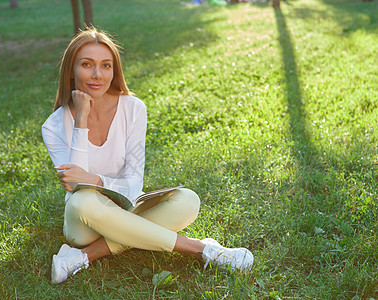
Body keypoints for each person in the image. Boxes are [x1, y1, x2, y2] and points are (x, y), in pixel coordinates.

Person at [42, 27, 254, 284]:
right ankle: (201, 249)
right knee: (83, 201)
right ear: (71, 71)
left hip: (127, 206)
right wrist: (81, 121)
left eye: (106, 66)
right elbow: (77, 188)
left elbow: (133, 184)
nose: (98, 75)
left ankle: (81, 257)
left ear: (114, 70)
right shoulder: (53, 126)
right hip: (84, 224)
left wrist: (96, 181)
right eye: (87, 64)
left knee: (187, 200)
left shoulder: (133, 108)